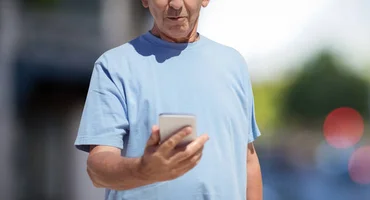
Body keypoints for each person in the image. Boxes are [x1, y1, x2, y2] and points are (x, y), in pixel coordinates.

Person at [73, 0, 263, 199]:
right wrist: (143, 170)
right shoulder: (114, 67)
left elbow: (247, 161)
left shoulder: (233, 64)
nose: (175, 4)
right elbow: (97, 169)